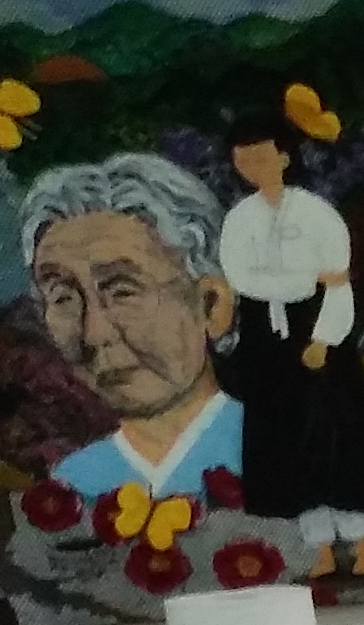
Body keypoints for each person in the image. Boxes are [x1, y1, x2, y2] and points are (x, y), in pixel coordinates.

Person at [217, 108, 364, 575]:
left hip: (318, 331)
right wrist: (300, 279)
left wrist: (324, 338)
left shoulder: (316, 214)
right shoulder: (240, 220)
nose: (253, 169)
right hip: (266, 337)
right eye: (243, 161)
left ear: (284, 156)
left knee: (335, 433)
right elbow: (242, 277)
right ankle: (320, 548)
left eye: (261, 157)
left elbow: (337, 283)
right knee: (287, 440)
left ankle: (361, 544)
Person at [17, 152, 244, 514]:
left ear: (211, 305)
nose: (94, 334)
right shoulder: (69, 490)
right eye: (62, 298)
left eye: (123, 292)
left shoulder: (284, 456)